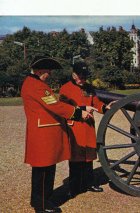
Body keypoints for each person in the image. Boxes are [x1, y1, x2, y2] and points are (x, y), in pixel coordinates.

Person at [21, 56, 92, 213]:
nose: (50, 74)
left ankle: (40, 200)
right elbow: (55, 106)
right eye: (48, 71)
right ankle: (42, 205)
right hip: (44, 134)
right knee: (44, 170)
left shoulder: (34, 83)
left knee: (44, 170)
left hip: (44, 132)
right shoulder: (37, 86)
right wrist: (78, 113)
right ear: (39, 71)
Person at [59, 61, 114, 198]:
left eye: (85, 77)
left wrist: (105, 107)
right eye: (81, 77)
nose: (83, 80)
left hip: (88, 126)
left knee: (89, 157)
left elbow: (96, 103)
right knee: (75, 158)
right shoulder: (65, 89)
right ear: (73, 74)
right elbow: (63, 108)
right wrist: (82, 109)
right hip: (75, 127)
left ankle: (89, 183)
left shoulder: (89, 88)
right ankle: (74, 186)